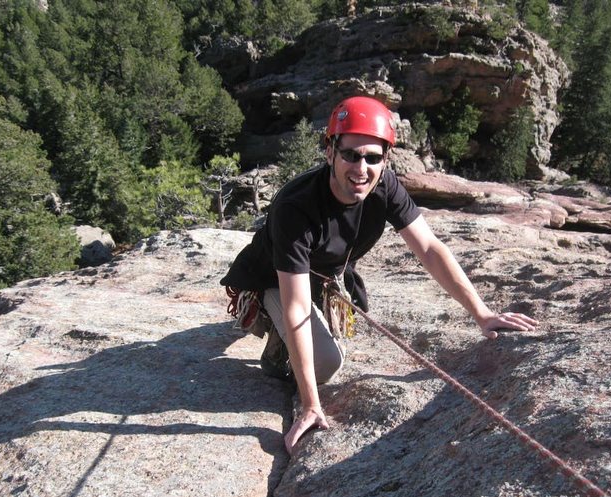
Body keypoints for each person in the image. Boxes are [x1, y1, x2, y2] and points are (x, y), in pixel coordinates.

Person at [221, 96, 538, 454]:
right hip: (271, 278)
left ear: (386, 160)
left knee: (319, 342)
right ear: (330, 152)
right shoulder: (297, 207)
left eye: (373, 157)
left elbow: (431, 249)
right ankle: (271, 340)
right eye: (351, 155)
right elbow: (295, 307)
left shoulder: (384, 186)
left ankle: (290, 332)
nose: (361, 167)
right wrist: (311, 403)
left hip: (321, 276)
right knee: (326, 363)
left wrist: (482, 313)